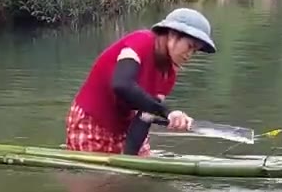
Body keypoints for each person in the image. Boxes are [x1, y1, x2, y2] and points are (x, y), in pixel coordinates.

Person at [64, 8, 216, 156]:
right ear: (172, 35)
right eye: (189, 46)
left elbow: (146, 115)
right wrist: (167, 112)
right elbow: (122, 85)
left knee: (134, 177)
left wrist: (130, 158)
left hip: (123, 126)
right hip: (92, 120)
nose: (190, 55)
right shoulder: (141, 42)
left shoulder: (168, 75)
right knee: (95, 178)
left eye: (194, 51)